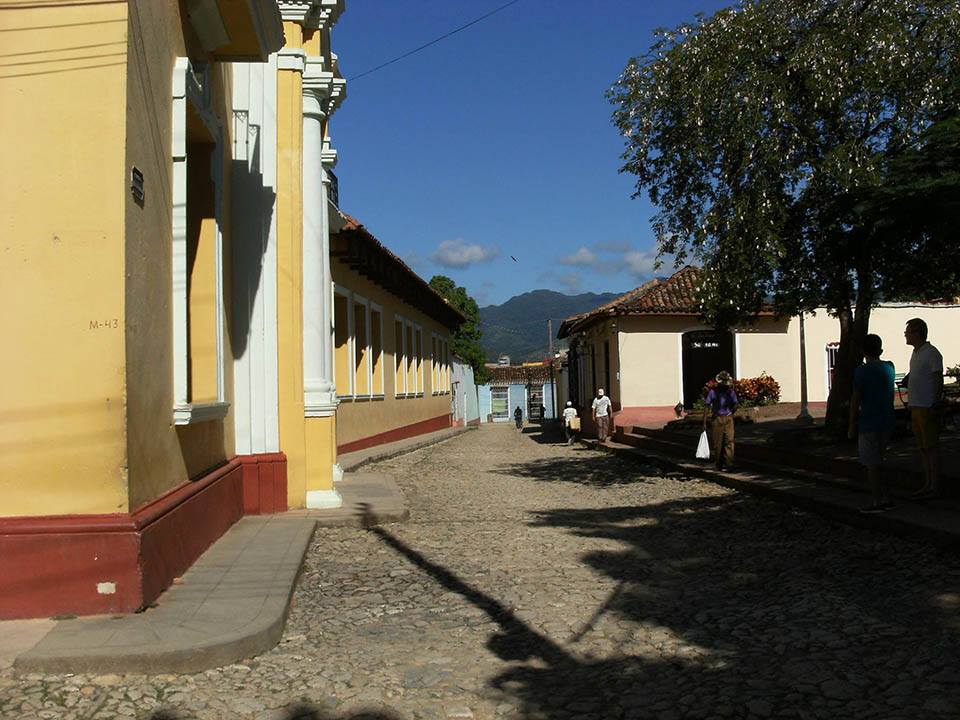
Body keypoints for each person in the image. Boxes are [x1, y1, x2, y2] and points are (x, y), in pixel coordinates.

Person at [848, 333, 896, 513]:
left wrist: (852, 423)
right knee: (880, 460)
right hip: (887, 418)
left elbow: (856, 398)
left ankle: (877, 501)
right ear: (880, 349)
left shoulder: (861, 371)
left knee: (871, 464)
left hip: (869, 420)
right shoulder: (889, 367)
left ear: (863, 351)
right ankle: (887, 497)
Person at [904, 318, 944, 498]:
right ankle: (927, 483)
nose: (906, 334)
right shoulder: (916, 353)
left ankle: (934, 486)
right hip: (916, 406)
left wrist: (935, 402)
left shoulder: (931, 353)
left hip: (927, 406)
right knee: (922, 447)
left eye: (909, 331)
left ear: (917, 333)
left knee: (931, 447)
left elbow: (937, 378)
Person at [703, 371, 738, 471]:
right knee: (717, 443)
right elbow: (707, 406)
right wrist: (704, 423)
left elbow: (735, 404)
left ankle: (729, 463)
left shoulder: (730, 392)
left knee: (729, 441)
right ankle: (718, 463)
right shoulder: (713, 392)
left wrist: (731, 413)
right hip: (717, 418)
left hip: (728, 418)